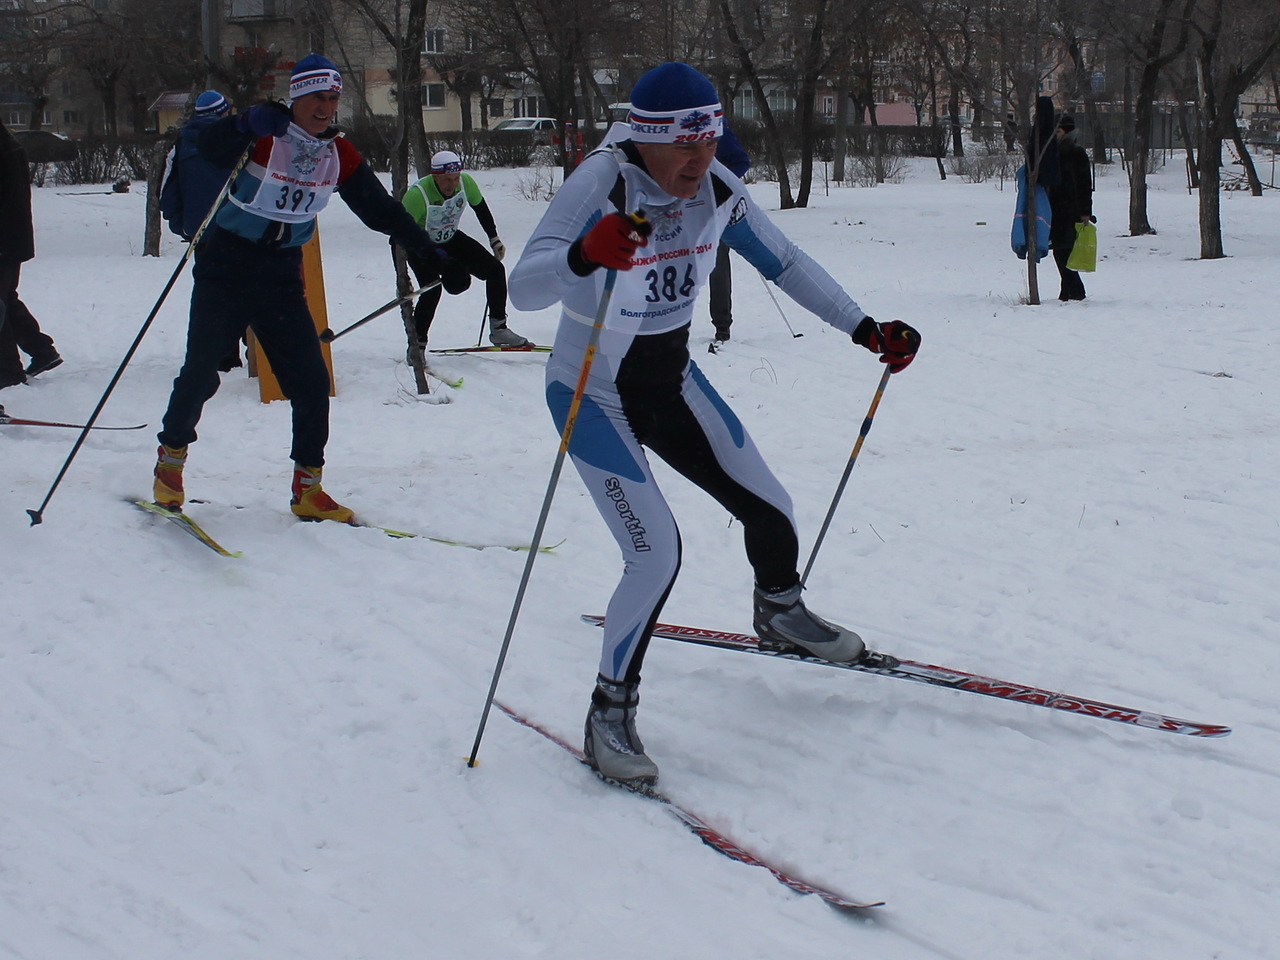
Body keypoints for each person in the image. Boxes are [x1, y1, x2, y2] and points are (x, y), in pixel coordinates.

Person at [508, 62, 920, 787]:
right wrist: (583, 254)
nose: (699, 162)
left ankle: (780, 610)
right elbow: (525, 286)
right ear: (647, 138)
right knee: (656, 554)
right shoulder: (600, 183)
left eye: (710, 142)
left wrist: (864, 328)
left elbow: (783, 261)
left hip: (669, 381)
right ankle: (609, 711)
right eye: (683, 147)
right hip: (589, 391)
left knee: (771, 508)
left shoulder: (718, 189)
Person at [152, 54, 469, 522]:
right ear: (296, 98)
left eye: (333, 97)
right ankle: (170, 462)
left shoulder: (338, 153)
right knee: (201, 373)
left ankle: (308, 488)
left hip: (280, 272)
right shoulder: (264, 134)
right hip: (227, 263)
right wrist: (244, 123)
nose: (325, 107)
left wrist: (430, 252)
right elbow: (208, 145)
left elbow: (380, 209)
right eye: (316, 97)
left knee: (310, 382)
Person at [398, 149, 528, 351]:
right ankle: (417, 345)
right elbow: (398, 236)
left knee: (495, 270)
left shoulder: (465, 183)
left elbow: (481, 208)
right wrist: (402, 274)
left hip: (450, 238)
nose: (452, 185)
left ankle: (499, 328)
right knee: (432, 289)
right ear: (435, 177)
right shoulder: (418, 196)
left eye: (455, 178)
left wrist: (494, 239)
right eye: (447, 180)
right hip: (421, 246)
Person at [158, 90, 245, 371]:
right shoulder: (237, 139)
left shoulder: (181, 143)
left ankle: (219, 355)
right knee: (248, 289)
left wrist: (183, 225)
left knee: (212, 295)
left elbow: (168, 191)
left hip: (203, 233)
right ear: (223, 113)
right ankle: (258, 349)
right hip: (241, 228)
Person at [0, 117, 61, 390]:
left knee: (1, 303)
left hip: (4, 239)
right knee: (5, 299)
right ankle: (41, 350)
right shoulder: (8, 143)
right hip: (12, 238)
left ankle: (7, 372)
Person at [708, 125, 750, 342]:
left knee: (717, 263)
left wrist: (719, 182)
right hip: (675, 203)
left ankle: (722, 324)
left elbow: (742, 162)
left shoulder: (719, 127)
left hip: (715, 204)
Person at [1048, 113, 1094, 301]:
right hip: (1056, 208)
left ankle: (1074, 290)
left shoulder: (1076, 152)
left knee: (1064, 250)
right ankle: (1068, 291)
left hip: (1071, 209)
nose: (1055, 134)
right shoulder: (1053, 152)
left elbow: (1084, 184)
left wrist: (1085, 212)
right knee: (1061, 250)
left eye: (1058, 131)